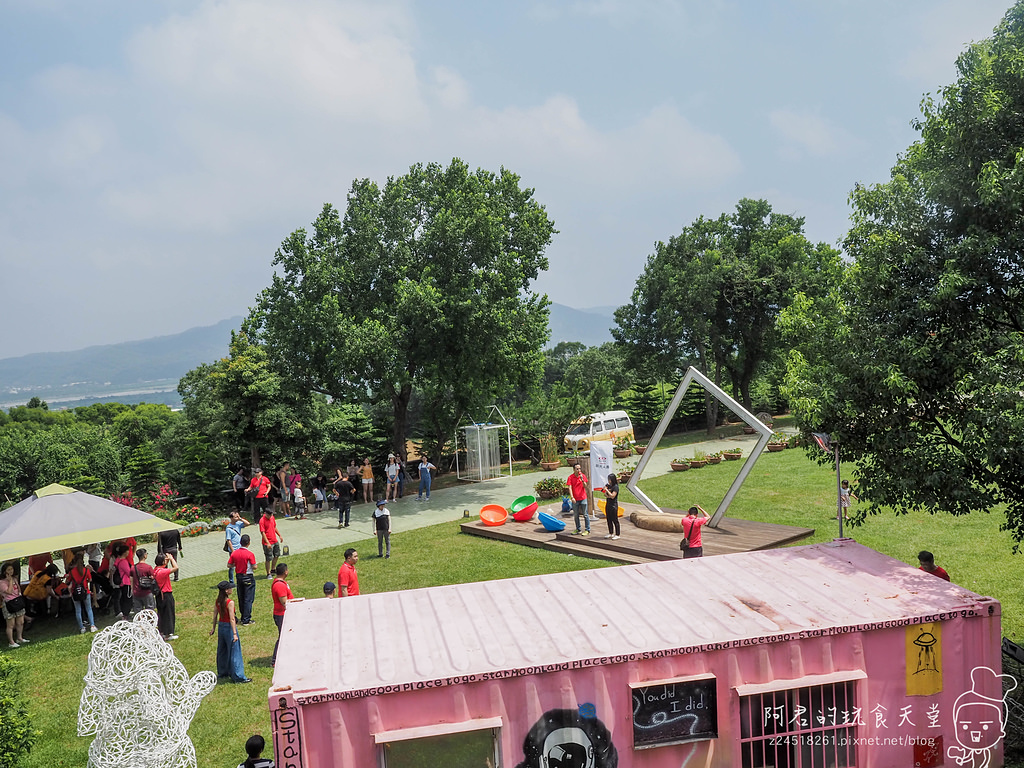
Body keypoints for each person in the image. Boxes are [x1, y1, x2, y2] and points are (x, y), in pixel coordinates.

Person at [210, 581, 251, 684]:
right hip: (229, 627)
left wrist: (213, 628)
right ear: (226, 590)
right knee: (234, 652)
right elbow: (232, 619)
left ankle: (223, 672)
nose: (232, 589)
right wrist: (234, 633)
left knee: (222, 650)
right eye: (230, 588)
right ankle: (238, 676)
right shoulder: (230, 602)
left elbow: (215, 615)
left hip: (221, 627)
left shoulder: (218, 601)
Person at [228, 534, 258, 625]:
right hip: (248, 576)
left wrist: (236, 564)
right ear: (248, 543)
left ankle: (242, 616)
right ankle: (246, 618)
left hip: (239, 576)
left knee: (241, 597)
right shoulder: (250, 554)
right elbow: (255, 566)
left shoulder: (235, 553)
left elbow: (229, 565)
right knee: (248, 598)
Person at [65, 554, 98, 633]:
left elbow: (67, 581)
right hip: (85, 591)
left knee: (78, 610)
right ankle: (92, 626)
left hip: (75, 592)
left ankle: (81, 627)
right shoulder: (86, 570)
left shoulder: (72, 572)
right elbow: (90, 580)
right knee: (89, 609)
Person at [0, 561, 29, 648]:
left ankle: (19, 638)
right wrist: (10, 582)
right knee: (11, 624)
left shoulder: (14, 579)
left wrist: (14, 581)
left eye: (11, 569)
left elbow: (18, 590)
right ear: (5, 571)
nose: (11, 571)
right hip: (9, 603)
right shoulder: (2, 582)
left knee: (20, 622)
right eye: (8, 570)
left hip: (17, 601)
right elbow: (9, 592)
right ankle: (11, 642)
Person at [270, 563, 293, 667]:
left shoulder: (281, 583)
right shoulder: (279, 585)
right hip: (282, 614)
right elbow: (284, 602)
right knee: (283, 637)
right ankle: (275, 660)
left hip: (283, 614)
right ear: (285, 572)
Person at [153, 553, 179, 640]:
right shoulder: (163, 572)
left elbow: (163, 565)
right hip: (166, 594)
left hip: (159, 595)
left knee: (161, 614)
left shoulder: (156, 570)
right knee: (168, 614)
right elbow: (176, 568)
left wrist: (165, 560)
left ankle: (162, 632)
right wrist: (171, 559)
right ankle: (168, 634)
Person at [258, 507, 283, 578]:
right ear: (265, 513)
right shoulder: (262, 521)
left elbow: (274, 527)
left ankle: (273, 569)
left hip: (274, 540)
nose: (270, 517)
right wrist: (267, 542)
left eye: (271, 515)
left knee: (277, 555)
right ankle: (268, 573)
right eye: (269, 515)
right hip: (267, 542)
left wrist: (279, 535)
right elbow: (262, 533)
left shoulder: (272, 518)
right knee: (268, 558)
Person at [110, 543, 133, 620]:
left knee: (123, 598)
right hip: (126, 582)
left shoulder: (118, 560)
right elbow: (129, 572)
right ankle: (126, 614)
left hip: (122, 583)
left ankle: (124, 614)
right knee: (128, 599)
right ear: (125, 552)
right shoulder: (123, 562)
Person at [131, 548, 158, 614]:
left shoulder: (133, 568)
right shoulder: (148, 567)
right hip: (147, 592)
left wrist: (132, 591)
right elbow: (153, 578)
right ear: (145, 555)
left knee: (138, 612)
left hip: (136, 592)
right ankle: (151, 622)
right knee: (150, 610)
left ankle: (140, 623)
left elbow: (131, 580)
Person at [567, 464, 590, 536]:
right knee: (576, 514)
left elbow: (585, 486)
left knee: (585, 514)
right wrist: (572, 497)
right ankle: (578, 529)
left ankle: (587, 529)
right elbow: (570, 487)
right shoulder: (570, 477)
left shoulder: (583, 476)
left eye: (580, 469)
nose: (579, 470)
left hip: (583, 497)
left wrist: (582, 480)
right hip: (575, 499)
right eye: (577, 469)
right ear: (574, 469)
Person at [225, 510, 247, 584]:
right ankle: (231, 581)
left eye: (237, 516)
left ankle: (241, 578)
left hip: (239, 547)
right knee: (232, 566)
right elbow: (228, 540)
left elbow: (248, 523)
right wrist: (233, 551)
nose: (237, 518)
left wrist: (240, 518)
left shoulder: (238, 524)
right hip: (233, 549)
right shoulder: (228, 528)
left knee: (241, 564)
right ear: (231, 518)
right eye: (235, 517)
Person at [601, 473, 620, 540]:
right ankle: (610, 533)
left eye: (609, 479)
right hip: (608, 504)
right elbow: (606, 495)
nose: (608, 481)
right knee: (608, 519)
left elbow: (612, 496)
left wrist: (607, 491)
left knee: (615, 520)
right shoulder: (609, 486)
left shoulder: (615, 487)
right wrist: (606, 491)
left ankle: (617, 534)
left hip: (613, 505)